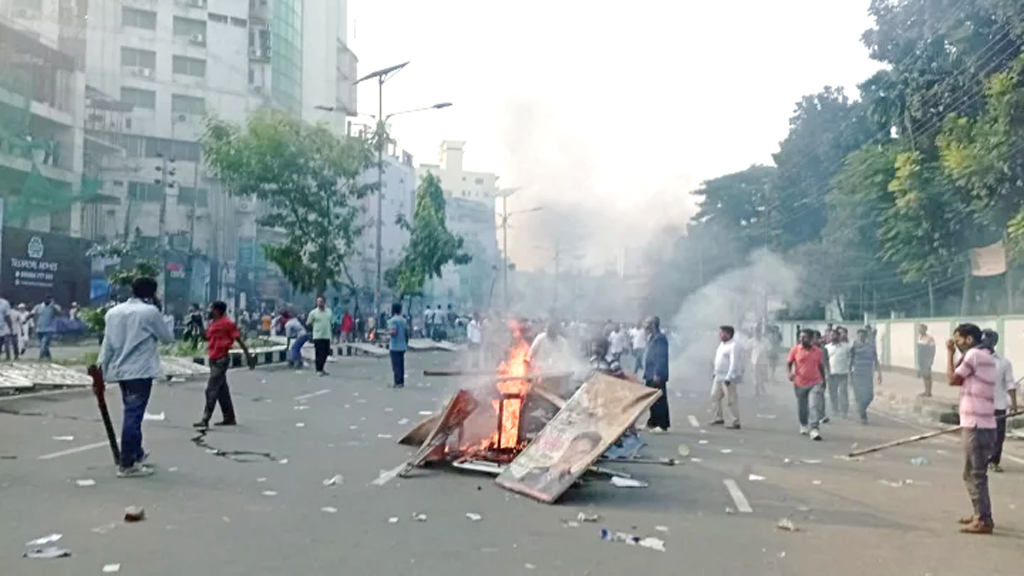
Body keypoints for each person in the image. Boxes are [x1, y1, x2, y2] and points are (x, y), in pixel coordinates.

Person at [97, 277, 175, 477]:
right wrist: (160, 312)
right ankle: (127, 464)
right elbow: (168, 338)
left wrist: (100, 367)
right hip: (141, 371)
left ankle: (137, 453)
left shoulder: (113, 313)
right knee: (133, 416)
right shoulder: (150, 312)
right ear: (152, 293)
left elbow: (107, 343)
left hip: (120, 370)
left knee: (132, 412)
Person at [947, 323, 998, 534]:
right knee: (973, 473)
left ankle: (983, 519)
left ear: (968, 339)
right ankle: (981, 513)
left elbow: (952, 379)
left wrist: (949, 354)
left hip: (976, 425)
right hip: (986, 423)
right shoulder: (986, 355)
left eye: (958, 340)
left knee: (974, 474)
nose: (956, 344)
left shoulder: (974, 356)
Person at [193, 301, 253, 429]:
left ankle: (205, 418)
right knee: (221, 391)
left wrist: (248, 356)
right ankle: (229, 417)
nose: (208, 311)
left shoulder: (228, 324)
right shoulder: (213, 324)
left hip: (221, 359)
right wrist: (199, 324)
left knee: (211, 389)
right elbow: (206, 338)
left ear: (217, 310)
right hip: (213, 359)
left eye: (211, 309)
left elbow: (239, 340)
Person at [981, 330, 1015, 473]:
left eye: (989, 340)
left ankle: (994, 461)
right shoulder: (976, 360)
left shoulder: (1003, 362)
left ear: (994, 342)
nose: (986, 344)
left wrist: (1013, 403)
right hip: (980, 405)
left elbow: (1009, 383)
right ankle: (981, 460)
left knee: (998, 436)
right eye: (983, 340)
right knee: (981, 434)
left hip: (998, 405)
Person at [788, 329, 827, 441]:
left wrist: (823, 380)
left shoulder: (818, 351)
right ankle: (803, 424)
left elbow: (820, 366)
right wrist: (789, 373)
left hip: (815, 382)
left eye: (804, 337)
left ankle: (814, 429)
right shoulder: (795, 350)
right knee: (802, 407)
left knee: (814, 405)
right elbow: (789, 362)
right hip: (799, 383)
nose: (801, 339)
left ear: (810, 338)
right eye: (800, 337)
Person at [711, 325, 743, 429]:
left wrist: (729, 377)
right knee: (714, 396)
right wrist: (715, 372)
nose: (720, 335)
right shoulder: (721, 345)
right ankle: (718, 417)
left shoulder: (733, 346)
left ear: (728, 334)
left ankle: (735, 421)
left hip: (727, 377)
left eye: (722, 333)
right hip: (718, 376)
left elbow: (733, 363)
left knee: (730, 400)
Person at [642, 316, 670, 433]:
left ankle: (662, 424)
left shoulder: (660, 338)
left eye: (647, 323)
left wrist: (657, 374)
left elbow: (660, 358)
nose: (644, 325)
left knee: (659, 400)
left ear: (653, 324)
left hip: (657, 374)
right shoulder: (652, 337)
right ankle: (652, 422)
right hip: (650, 373)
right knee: (652, 400)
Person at [850, 328, 881, 424]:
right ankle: (863, 415)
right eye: (859, 335)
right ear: (857, 336)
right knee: (859, 396)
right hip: (857, 374)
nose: (861, 337)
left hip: (868, 374)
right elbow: (850, 361)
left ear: (866, 336)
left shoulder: (871, 347)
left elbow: (875, 360)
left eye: (863, 335)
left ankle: (861, 409)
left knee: (869, 396)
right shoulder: (854, 347)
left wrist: (879, 373)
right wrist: (849, 374)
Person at [825, 329, 853, 419]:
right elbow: (825, 361)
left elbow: (851, 358)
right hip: (831, 374)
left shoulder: (846, 347)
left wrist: (850, 368)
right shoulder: (827, 347)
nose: (832, 337)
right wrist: (826, 372)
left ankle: (844, 411)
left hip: (843, 374)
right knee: (833, 393)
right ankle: (835, 409)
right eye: (830, 335)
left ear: (838, 336)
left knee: (843, 392)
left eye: (834, 335)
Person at [306, 296, 333, 376]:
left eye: (321, 301)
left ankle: (322, 368)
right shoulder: (313, 313)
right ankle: (318, 370)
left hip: (327, 335)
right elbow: (308, 323)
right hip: (317, 335)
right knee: (319, 353)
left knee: (325, 353)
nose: (319, 303)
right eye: (318, 301)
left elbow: (330, 321)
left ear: (324, 302)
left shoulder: (329, 311)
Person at [31, 295, 61, 359]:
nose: (49, 300)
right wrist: (25, 320)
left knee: (43, 344)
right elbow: (32, 314)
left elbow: (59, 313)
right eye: (48, 299)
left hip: (49, 329)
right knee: (45, 345)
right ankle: (49, 357)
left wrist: (53, 305)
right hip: (39, 329)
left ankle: (40, 357)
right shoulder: (38, 307)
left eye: (50, 299)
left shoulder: (53, 307)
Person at [387, 302, 408, 388]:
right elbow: (407, 333)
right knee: (401, 364)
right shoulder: (404, 320)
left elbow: (394, 332)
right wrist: (406, 343)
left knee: (395, 365)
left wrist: (387, 333)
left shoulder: (392, 320)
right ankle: (401, 382)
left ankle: (397, 382)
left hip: (394, 346)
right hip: (402, 345)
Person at [918, 324, 936, 397]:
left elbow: (933, 349)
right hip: (921, 358)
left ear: (925, 330)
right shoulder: (920, 338)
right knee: (924, 376)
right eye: (919, 329)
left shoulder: (929, 338)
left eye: (921, 329)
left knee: (928, 376)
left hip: (927, 358)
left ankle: (929, 392)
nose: (919, 330)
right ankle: (925, 391)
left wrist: (931, 360)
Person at [750, 330, 769, 396]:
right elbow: (747, 349)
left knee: (762, 376)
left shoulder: (765, 341)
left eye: (758, 333)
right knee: (755, 376)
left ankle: (761, 385)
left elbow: (769, 349)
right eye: (756, 333)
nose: (757, 334)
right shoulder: (752, 341)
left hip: (763, 362)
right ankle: (756, 389)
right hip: (754, 361)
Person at [0, 295, 14, 361]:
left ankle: (8, 357)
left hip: (4, 327)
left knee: (6, 344)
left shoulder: (5, 303)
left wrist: (10, 327)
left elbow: (7, 316)